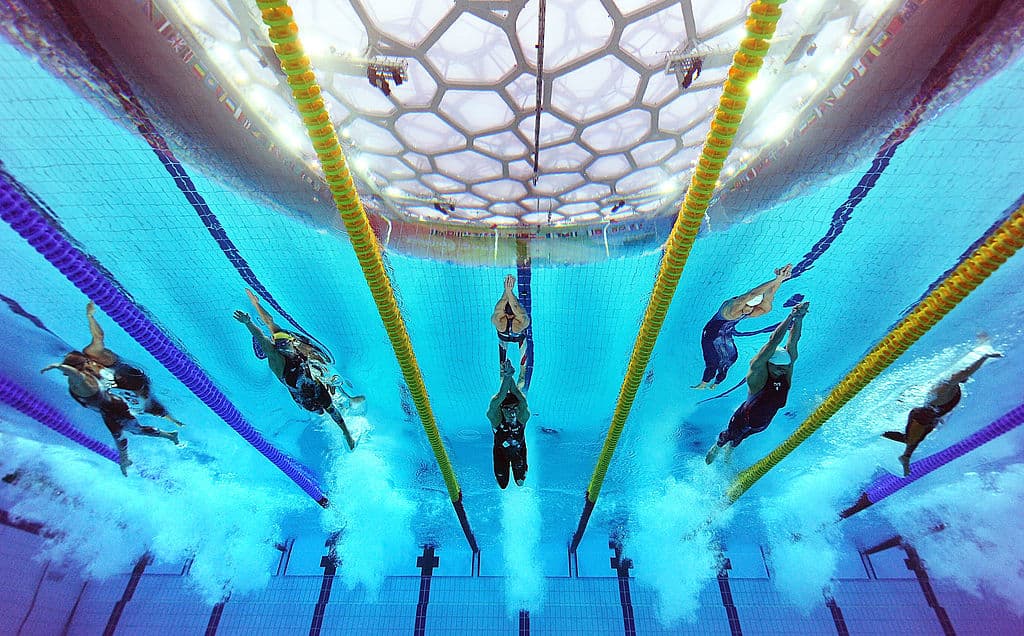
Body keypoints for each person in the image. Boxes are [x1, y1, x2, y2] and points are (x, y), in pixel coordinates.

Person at [41, 302, 182, 476]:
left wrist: (90, 317)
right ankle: (168, 435)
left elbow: (97, 339)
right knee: (132, 430)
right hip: (115, 403)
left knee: (132, 427)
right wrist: (60, 367)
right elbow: (78, 374)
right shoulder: (85, 382)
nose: (90, 363)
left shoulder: (90, 365)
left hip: (122, 393)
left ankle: (164, 435)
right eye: (87, 364)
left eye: (88, 362)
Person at [234, 289, 363, 449]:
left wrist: (256, 304)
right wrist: (248, 322)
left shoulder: (285, 348)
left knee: (330, 405)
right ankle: (346, 405)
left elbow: (269, 323)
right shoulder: (276, 362)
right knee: (323, 410)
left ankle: (347, 402)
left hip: (311, 384)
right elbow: (261, 338)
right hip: (306, 399)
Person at [882, 336, 1003, 476]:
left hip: (933, 415)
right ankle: (881, 436)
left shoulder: (952, 385)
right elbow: (966, 372)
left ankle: (905, 456)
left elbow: (965, 372)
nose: (967, 378)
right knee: (909, 439)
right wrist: (984, 356)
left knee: (914, 439)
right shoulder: (944, 386)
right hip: (922, 416)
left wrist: (983, 343)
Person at [706, 301, 809, 464]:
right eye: (779, 367)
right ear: (768, 362)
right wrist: (790, 316)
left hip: (761, 425)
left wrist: (800, 318)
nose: (784, 370)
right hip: (742, 419)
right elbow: (772, 342)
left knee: (740, 439)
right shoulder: (758, 376)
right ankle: (717, 447)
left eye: (785, 367)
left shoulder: (784, 373)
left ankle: (730, 450)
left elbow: (793, 343)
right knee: (729, 436)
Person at [694, 264, 793, 390]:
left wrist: (780, 279)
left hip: (726, 334)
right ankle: (704, 383)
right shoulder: (732, 308)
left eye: (752, 308)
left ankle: (716, 383)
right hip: (710, 334)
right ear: (744, 302)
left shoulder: (753, 309)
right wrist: (775, 280)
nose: (748, 311)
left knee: (731, 358)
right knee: (712, 360)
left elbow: (768, 298)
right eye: (747, 307)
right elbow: (751, 294)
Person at [486, 359, 530, 488]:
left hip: (519, 452)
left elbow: (519, 396)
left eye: (514, 408)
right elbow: (498, 398)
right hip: (500, 454)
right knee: (503, 485)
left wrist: (508, 377)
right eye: (507, 409)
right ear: (501, 409)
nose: (512, 413)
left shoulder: (523, 416)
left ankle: (508, 376)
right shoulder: (496, 418)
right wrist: (507, 377)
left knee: (520, 483)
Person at [491, 274, 530, 387]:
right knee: (522, 352)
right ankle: (522, 374)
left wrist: (507, 291)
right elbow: (516, 307)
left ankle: (508, 374)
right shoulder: (522, 320)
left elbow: (501, 306)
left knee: (503, 349)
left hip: (504, 335)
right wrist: (509, 292)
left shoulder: (498, 319)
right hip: (517, 336)